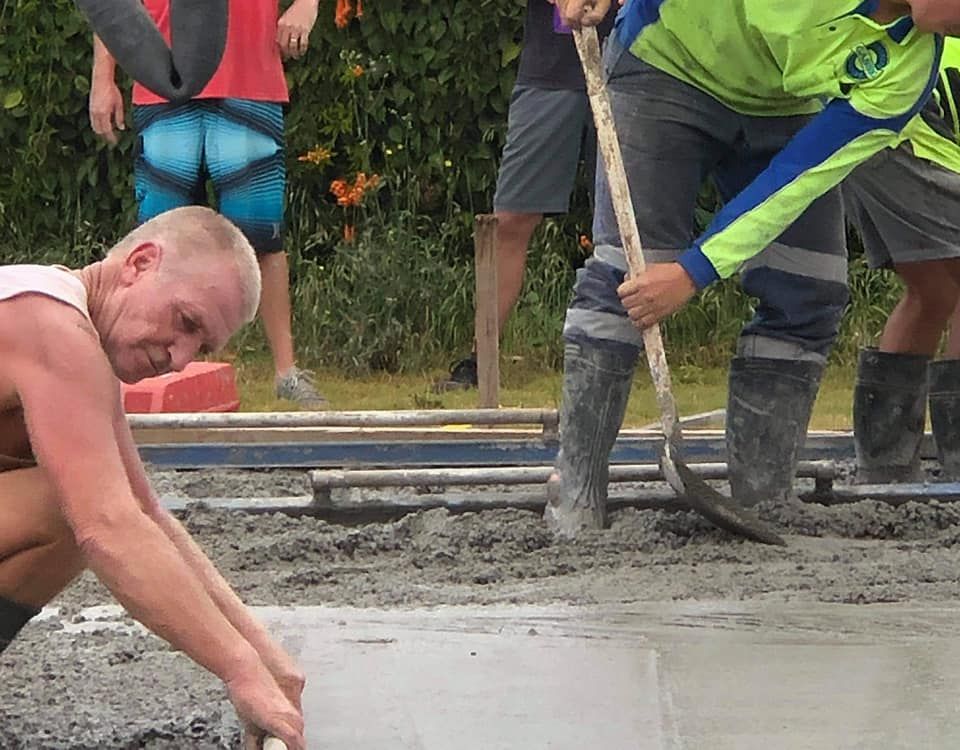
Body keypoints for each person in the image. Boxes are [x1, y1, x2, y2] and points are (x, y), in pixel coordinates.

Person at [544, 0, 952, 534]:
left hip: (786, 106)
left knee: (807, 289)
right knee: (627, 277)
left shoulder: (907, 72)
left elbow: (797, 176)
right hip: (667, 63)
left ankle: (765, 499)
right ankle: (575, 491)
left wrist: (695, 269)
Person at [0, 207, 305, 750]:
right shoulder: (50, 325)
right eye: (186, 323)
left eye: (202, 347)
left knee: (90, 500)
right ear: (140, 264)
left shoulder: (75, 336)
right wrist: (238, 672)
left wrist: (262, 654)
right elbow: (110, 526)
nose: (179, 359)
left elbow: (147, 513)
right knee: (72, 509)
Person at [88, 0, 327, 408]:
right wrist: (102, 76)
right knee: (155, 245)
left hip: (250, 77)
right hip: (160, 78)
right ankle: (123, 374)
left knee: (263, 238)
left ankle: (286, 372)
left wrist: (306, 6)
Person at [438, 0, 617, 390]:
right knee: (511, 219)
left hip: (635, 65)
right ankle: (480, 358)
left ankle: (625, 349)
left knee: (629, 219)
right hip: (550, 69)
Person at [844, 38, 960, 484]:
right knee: (937, 288)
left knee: (935, 291)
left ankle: (887, 466)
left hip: (899, 114)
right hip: (904, 114)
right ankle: (890, 465)